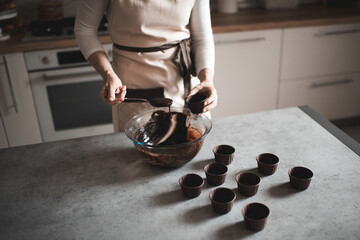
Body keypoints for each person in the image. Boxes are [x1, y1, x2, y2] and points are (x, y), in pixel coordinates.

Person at [75, 0, 217, 132]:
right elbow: (85, 30)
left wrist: (207, 80)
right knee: (136, 150)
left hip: (185, 83)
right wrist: (108, 74)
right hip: (133, 83)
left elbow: (201, 37)